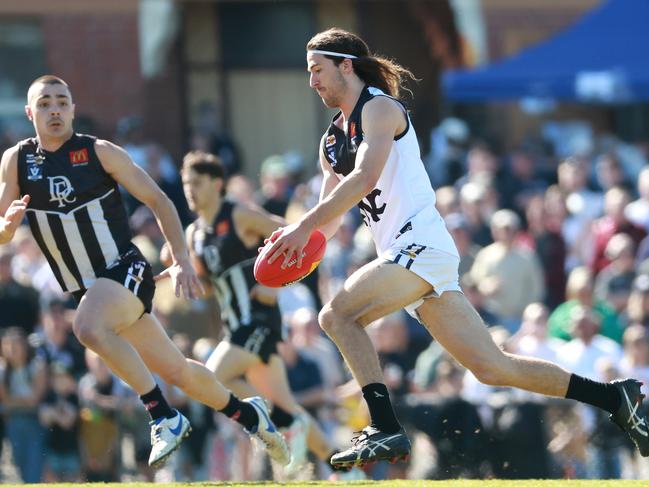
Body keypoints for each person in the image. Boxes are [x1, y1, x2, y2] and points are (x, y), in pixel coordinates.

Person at [262, 28, 649, 468]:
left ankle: (385, 427)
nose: (311, 81)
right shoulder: (331, 140)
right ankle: (616, 397)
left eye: (317, 70)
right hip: (410, 255)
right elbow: (328, 218)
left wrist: (302, 227)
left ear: (345, 65)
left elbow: (365, 178)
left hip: (418, 245)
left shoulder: (380, 108)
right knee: (493, 369)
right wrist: (298, 242)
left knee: (336, 315)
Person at [0, 75, 288, 468]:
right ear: (31, 112)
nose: (55, 110)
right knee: (179, 372)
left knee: (86, 328)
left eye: (62, 102)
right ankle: (250, 415)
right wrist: (9, 225)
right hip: (90, 290)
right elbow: (2, 232)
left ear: (72, 108)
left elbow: (160, 200)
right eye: (46, 103)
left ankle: (162, 414)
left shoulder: (100, 152)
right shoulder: (16, 160)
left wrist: (183, 260)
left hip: (124, 269)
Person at [178, 150, 346, 475]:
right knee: (287, 406)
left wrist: (275, 284)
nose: (189, 190)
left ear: (217, 184)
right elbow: (208, 285)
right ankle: (341, 467)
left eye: (196, 182)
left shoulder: (240, 215)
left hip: (258, 320)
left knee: (213, 377)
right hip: (234, 325)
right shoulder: (193, 234)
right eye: (186, 183)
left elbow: (296, 238)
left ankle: (276, 422)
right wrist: (183, 275)